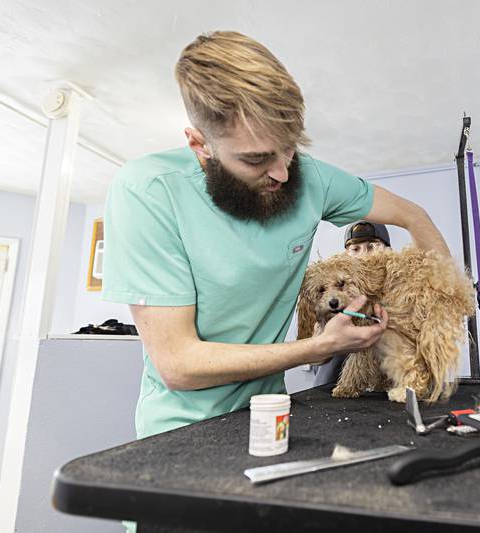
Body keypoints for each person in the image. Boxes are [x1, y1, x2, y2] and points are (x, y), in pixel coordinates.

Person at [103, 31, 451, 445]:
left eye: (289, 149)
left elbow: (413, 215)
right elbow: (179, 364)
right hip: (180, 432)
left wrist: (442, 305)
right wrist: (317, 347)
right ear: (200, 144)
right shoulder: (149, 192)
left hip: (271, 416)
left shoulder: (311, 179)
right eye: (256, 159)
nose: (283, 173)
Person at [311, 221, 392, 383]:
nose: (364, 255)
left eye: (371, 247)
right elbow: (314, 359)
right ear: (346, 255)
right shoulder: (332, 292)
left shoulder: (400, 290)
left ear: (388, 251)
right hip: (331, 389)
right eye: (355, 249)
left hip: (385, 391)